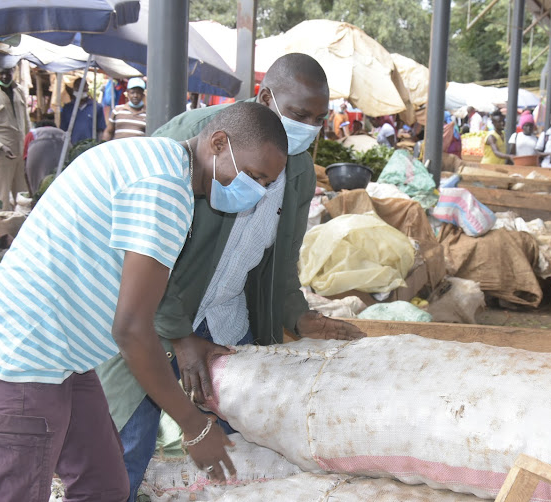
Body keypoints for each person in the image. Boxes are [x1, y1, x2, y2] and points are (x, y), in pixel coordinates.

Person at [0, 102, 289, 501]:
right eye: (253, 176)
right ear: (217, 143)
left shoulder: (155, 160)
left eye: (266, 184)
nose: (257, 193)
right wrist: (193, 424)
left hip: (67, 359)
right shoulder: (163, 191)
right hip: (24, 361)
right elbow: (131, 330)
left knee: (106, 485)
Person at [96, 53, 365, 501]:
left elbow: (280, 262)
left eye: (319, 118)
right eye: (299, 114)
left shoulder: (296, 167)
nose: (309, 128)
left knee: (236, 452)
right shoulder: (198, 139)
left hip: (222, 320)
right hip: (156, 316)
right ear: (265, 97)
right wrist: (179, 336)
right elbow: (147, 255)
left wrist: (298, 316)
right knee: (126, 440)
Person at [0, 67, 30, 210]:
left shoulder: (19, 90)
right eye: (1, 73)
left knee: (23, 196)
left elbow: (26, 121)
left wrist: (28, 143)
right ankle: (2, 229)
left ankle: (20, 227)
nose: (4, 76)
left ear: (13, 71)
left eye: (7, 73)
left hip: (20, 151)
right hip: (1, 154)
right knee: (1, 197)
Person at [23, 118, 65, 197]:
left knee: (39, 185)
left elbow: (26, 160)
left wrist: (31, 193)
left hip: (37, 149)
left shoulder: (33, 133)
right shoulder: (62, 133)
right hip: (61, 146)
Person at [60, 77, 106, 145]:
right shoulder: (67, 108)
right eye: (77, 88)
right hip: (71, 148)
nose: (80, 90)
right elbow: (63, 131)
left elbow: (100, 130)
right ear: (74, 89)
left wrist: (98, 145)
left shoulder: (96, 107)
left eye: (83, 87)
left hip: (90, 147)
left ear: (87, 89)